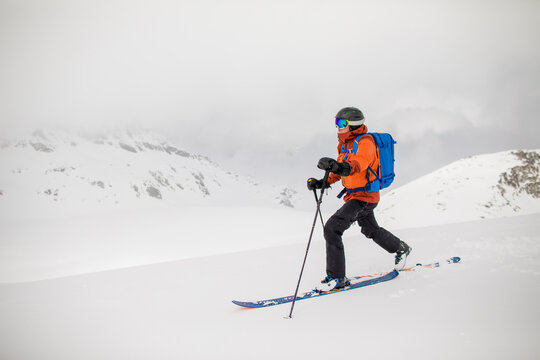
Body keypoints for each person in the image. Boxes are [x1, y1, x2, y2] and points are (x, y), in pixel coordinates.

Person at [307, 107, 411, 292]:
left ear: (353, 124)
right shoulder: (345, 144)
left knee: (332, 228)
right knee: (370, 229)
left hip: (365, 197)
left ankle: (337, 278)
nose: (337, 126)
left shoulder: (366, 142)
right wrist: (322, 182)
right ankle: (400, 248)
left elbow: (357, 165)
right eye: (336, 122)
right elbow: (340, 171)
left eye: (341, 123)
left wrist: (338, 166)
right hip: (355, 196)